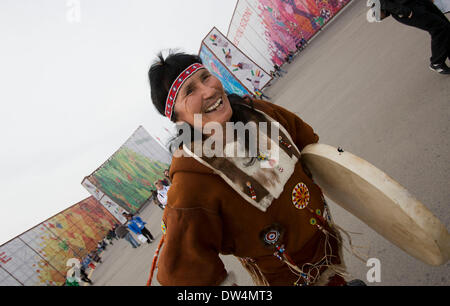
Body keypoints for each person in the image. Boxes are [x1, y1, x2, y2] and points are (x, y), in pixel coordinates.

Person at [147, 51, 364, 286]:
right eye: (190, 91)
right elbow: (183, 271)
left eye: (206, 77)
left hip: (327, 246)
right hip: (288, 277)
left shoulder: (259, 113)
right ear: (177, 117)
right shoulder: (191, 181)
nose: (209, 91)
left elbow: (309, 145)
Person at [379, 0, 450, 74]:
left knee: (446, 25)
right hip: (407, 8)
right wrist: (401, 10)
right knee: (439, 29)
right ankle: (437, 62)